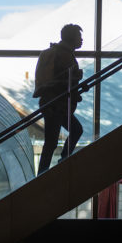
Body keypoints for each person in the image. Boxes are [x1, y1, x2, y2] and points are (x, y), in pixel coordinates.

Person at [34, 24, 84, 175]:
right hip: (57, 104)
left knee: (54, 139)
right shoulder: (65, 56)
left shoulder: (55, 53)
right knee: (56, 139)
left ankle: (46, 170)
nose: (81, 40)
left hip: (51, 102)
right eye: (79, 36)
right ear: (72, 38)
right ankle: (49, 169)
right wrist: (75, 79)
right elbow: (61, 81)